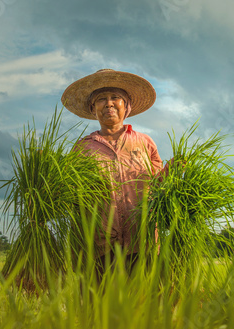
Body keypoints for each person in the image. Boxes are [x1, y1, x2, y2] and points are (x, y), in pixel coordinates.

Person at [61, 69, 169, 277]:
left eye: (115, 98)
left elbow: (158, 187)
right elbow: (70, 193)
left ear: (127, 106)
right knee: (101, 307)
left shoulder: (145, 143)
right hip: (99, 246)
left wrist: (171, 172)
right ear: (93, 109)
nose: (109, 103)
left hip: (142, 241)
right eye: (101, 99)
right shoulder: (83, 148)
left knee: (142, 305)